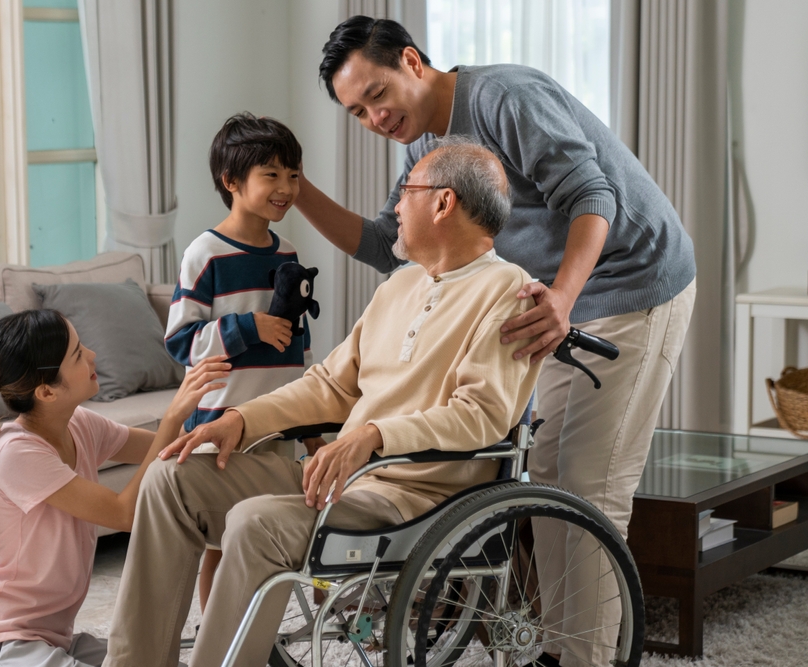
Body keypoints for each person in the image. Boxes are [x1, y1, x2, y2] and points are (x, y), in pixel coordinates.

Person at [295, 16, 698, 667]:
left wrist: (564, 297)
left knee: (590, 486)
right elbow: (387, 245)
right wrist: (296, 191)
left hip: (632, 281)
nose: (373, 116)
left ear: (411, 61)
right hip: (551, 302)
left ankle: (585, 658)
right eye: (357, 111)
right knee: (549, 480)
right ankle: (563, 649)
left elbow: (593, 194)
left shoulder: (504, 98)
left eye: (377, 94)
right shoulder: (420, 144)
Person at [101, 140, 541, 667]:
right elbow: (329, 386)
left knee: (255, 522)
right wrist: (240, 419)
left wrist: (372, 437)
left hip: (413, 498)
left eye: (406, 192)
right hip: (339, 481)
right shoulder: (399, 285)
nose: (396, 207)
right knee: (169, 479)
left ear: (443, 203)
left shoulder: (509, 291)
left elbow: (482, 414)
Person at [0, 309, 229, 667]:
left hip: (48, 640)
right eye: (76, 354)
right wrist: (171, 417)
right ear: (46, 391)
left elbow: (165, 448)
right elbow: (125, 513)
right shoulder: (16, 452)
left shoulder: (80, 424)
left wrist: (229, 421)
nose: (91, 354)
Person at [164, 111, 325, 612]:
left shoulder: (290, 253)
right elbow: (181, 341)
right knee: (221, 536)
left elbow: (301, 346)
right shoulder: (205, 254)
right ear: (231, 181)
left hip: (276, 426)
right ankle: (217, 636)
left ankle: (249, 632)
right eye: (271, 175)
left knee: (262, 532)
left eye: (293, 175)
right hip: (218, 423)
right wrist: (248, 327)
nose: (286, 187)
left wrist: (313, 426)